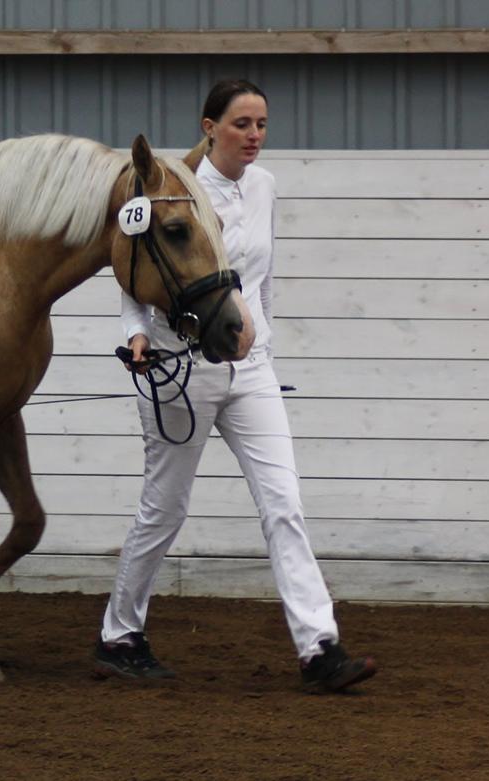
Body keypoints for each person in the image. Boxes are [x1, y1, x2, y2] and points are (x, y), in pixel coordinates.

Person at [93, 79, 377, 693]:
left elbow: (262, 278)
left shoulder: (266, 186)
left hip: (250, 370)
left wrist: (266, 343)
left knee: (284, 505)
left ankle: (319, 646)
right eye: (242, 124)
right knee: (164, 509)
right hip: (180, 365)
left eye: (262, 125)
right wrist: (136, 332)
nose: (254, 136)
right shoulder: (175, 186)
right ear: (209, 126)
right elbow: (135, 272)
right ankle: (119, 633)